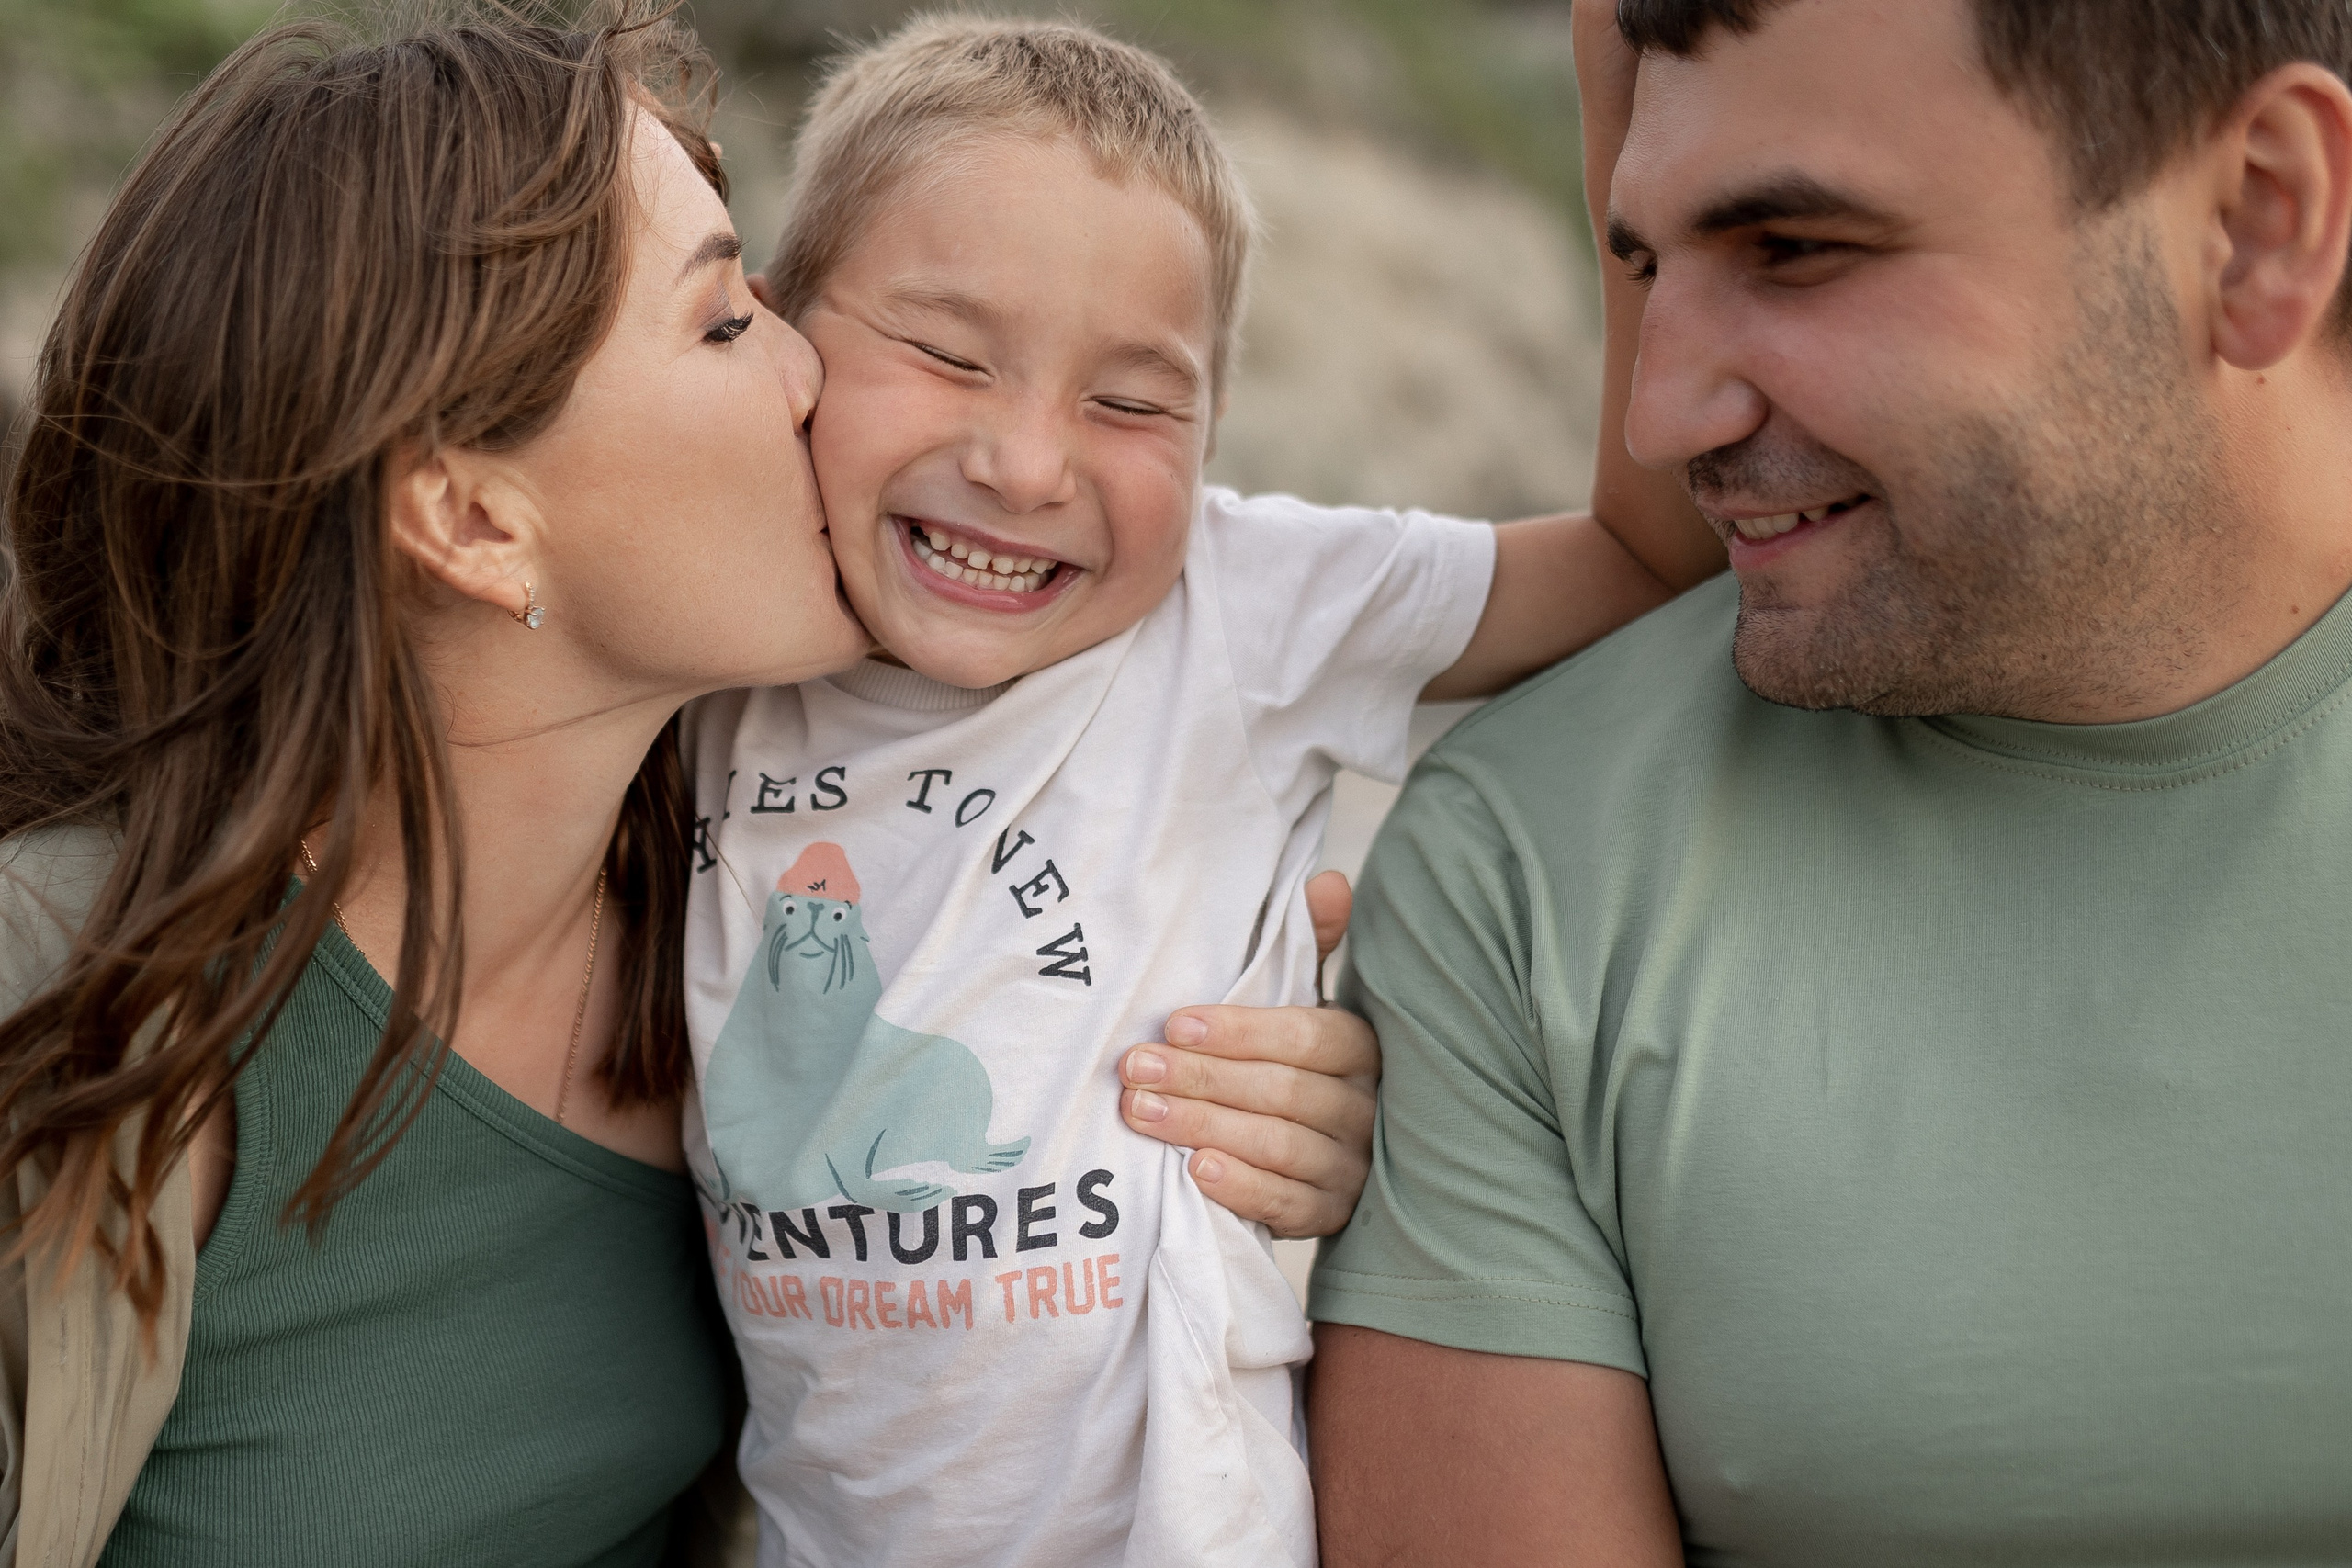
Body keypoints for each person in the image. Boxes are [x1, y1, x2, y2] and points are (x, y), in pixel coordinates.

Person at [0, 8, 1385, 1565]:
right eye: (728, 320)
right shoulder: (71, 1004)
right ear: (474, 519)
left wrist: (1254, 1122)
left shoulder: (742, 897)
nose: (818, 368)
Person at [1308, 0, 2352, 1562]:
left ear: (2259, 219)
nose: (1660, 419)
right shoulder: (1527, 871)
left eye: (1796, 249)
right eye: (1647, 263)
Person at [678, 17, 1720, 1565]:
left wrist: (1623, 122)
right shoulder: (703, 651)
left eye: (1134, 403)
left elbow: (1648, 557)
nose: (1029, 465)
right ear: (781, 335)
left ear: (1219, 425)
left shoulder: (1239, 608)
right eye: (951, 355)